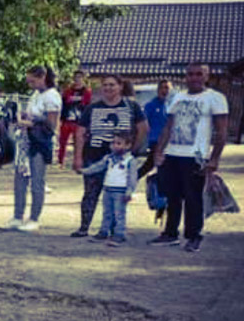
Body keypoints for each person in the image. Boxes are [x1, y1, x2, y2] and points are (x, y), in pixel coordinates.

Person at [149, 63, 228, 252]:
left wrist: (214, 158)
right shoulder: (177, 97)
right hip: (172, 154)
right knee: (172, 196)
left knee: (193, 198)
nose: (194, 78)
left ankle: (193, 236)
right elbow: (168, 127)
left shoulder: (215, 98)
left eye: (199, 74)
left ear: (206, 76)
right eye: (190, 74)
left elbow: (222, 131)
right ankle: (170, 233)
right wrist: (159, 151)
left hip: (195, 156)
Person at [70, 74, 147, 238]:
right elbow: (80, 132)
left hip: (120, 159)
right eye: (105, 85)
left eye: (112, 85)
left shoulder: (132, 107)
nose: (108, 88)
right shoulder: (92, 108)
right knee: (90, 193)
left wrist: (133, 149)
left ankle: (114, 228)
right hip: (94, 155)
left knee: (116, 195)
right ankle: (84, 227)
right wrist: (78, 157)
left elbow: (143, 128)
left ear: (120, 86)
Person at [8, 66, 61, 232]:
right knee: (20, 178)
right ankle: (18, 215)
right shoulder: (36, 94)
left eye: (33, 81)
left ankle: (34, 218)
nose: (30, 85)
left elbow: (51, 125)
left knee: (37, 180)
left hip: (40, 142)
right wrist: (23, 116)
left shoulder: (52, 96)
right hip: (26, 141)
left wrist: (29, 123)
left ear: (43, 77)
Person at [80, 130, 137, 246]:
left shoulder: (130, 161)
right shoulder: (109, 158)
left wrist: (129, 191)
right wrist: (85, 171)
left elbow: (132, 177)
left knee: (119, 213)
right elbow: (98, 166)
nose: (115, 146)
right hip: (108, 189)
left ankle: (119, 234)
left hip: (120, 190)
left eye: (119, 143)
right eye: (113, 143)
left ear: (128, 145)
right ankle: (103, 231)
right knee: (107, 212)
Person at [137, 79, 171, 179]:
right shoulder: (150, 105)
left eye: (167, 88)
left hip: (170, 141)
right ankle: (133, 179)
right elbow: (145, 122)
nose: (164, 91)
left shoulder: (172, 105)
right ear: (158, 90)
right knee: (150, 163)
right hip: (155, 140)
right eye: (162, 88)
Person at [59, 70, 92, 166]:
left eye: (79, 77)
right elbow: (64, 104)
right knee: (62, 142)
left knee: (78, 143)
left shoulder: (86, 91)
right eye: (76, 78)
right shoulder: (68, 91)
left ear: (83, 79)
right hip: (67, 120)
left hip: (79, 121)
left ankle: (77, 162)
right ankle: (60, 162)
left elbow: (87, 105)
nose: (77, 80)